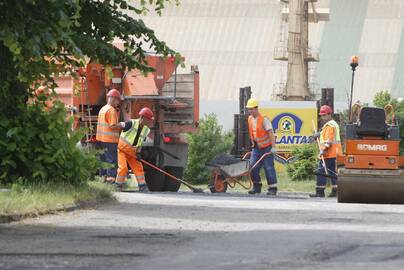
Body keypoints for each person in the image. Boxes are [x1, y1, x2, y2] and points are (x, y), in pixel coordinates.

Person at [114, 107, 154, 191]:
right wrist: (112, 127)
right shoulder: (131, 123)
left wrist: (138, 153)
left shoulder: (146, 130)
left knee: (139, 168)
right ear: (142, 117)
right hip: (122, 150)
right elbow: (120, 125)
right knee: (123, 168)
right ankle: (118, 185)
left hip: (133, 152)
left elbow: (140, 142)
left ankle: (142, 186)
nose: (150, 121)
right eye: (148, 119)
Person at [246, 98, 278, 195]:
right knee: (252, 166)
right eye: (249, 109)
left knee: (268, 167)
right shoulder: (250, 119)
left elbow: (271, 133)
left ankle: (272, 188)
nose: (250, 111)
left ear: (256, 108)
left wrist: (273, 147)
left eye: (251, 109)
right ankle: (257, 186)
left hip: (267, 147)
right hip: (256, 148)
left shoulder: (264, 119)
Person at [310, 105, 342, 198]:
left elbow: (329, 140)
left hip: (328, 154)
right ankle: (335, 191)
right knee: (333, 173)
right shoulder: (333, 124)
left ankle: (319, 192)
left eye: (324, 115)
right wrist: (319, 134)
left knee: (321, 172)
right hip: (335, 153)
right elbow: (326, 136)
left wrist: (323, 150)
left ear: (329, 114)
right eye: (321, 115)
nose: (322, 117)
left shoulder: (329, 125)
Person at [96, 89, 122, 183]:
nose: (118, 102)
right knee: (111, 161)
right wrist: (123, 125)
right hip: (110, 141)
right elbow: (113, 125)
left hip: (100, 140)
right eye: (118, 100)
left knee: (103, 161)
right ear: (114, 98)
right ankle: (110, 181)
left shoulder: (103, 109)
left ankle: (102, 180)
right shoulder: (111, 110)